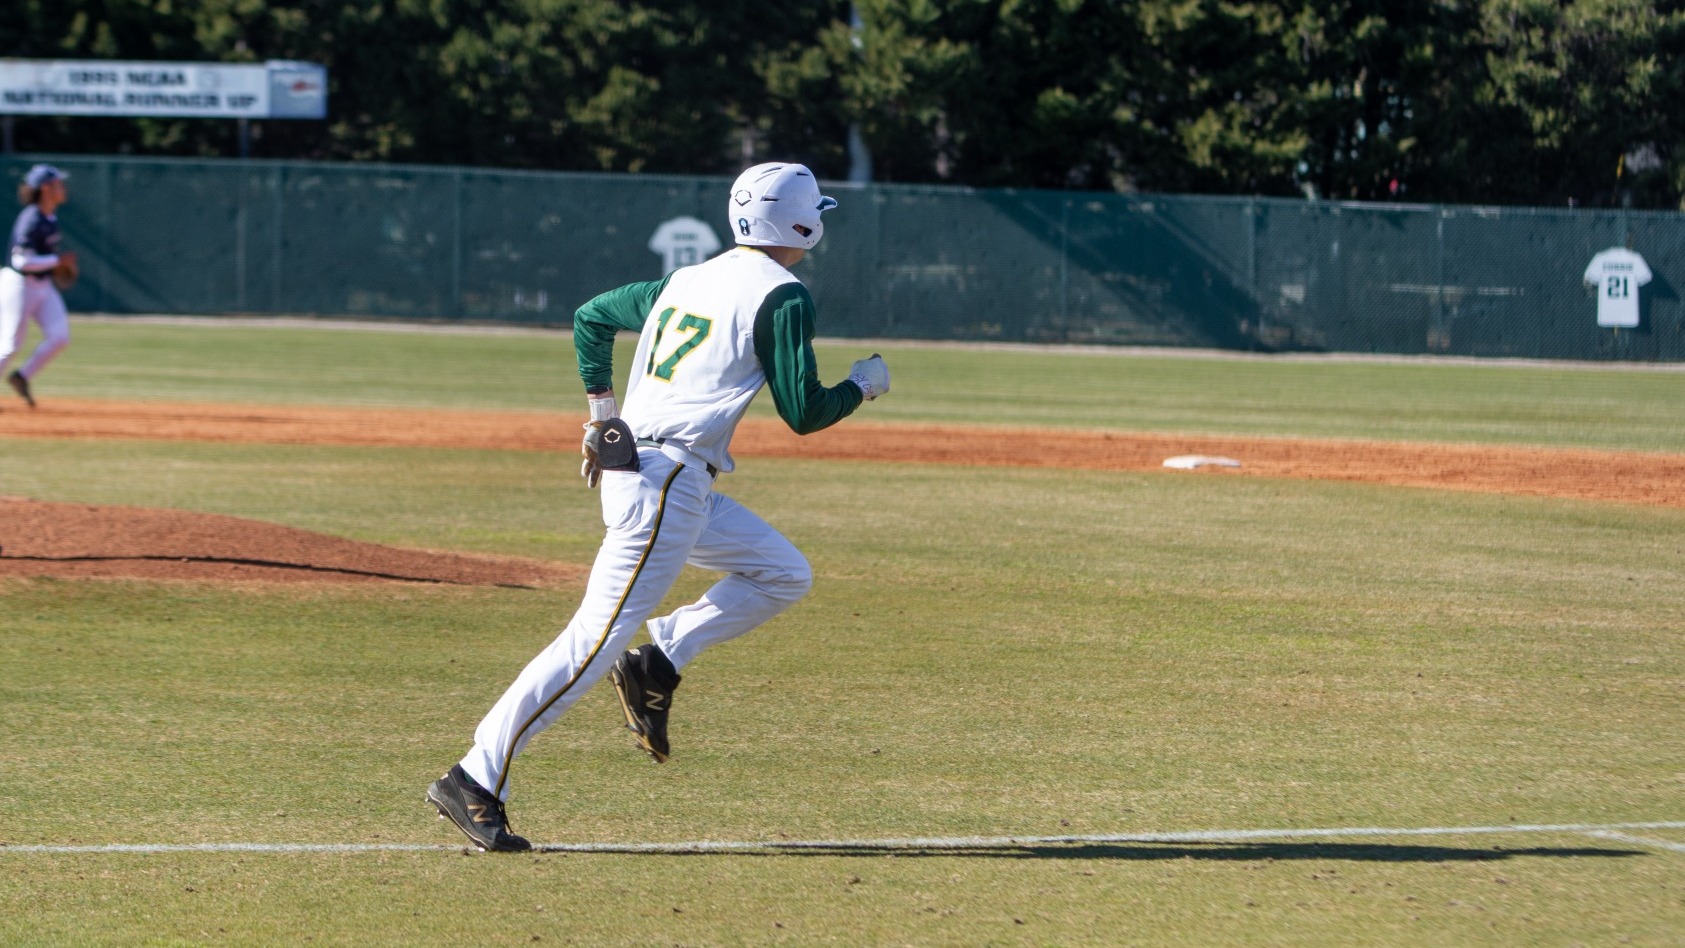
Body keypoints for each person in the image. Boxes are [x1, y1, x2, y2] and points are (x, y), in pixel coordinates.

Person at [427, 162, 891, 852]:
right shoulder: (783, 296)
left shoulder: (686, 279)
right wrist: (862, 386)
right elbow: (804, 411)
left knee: (781, 573)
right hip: (666, 483)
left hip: (653, 473)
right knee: (590, 642)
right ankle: (474, 776)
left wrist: (601, 414)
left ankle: (661, 657)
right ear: (802, 224)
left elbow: (592, 317)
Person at [1, 164, 75, 408]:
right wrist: (56, 261)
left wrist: (56, 265)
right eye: (58, 184)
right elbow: (21, 260)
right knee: (10, 345)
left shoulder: (49, 216)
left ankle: (21, 377)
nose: (62, 188)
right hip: (19, 286)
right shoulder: (31, 219)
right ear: (46, 188)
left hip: (42, 286)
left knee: (59, 337)